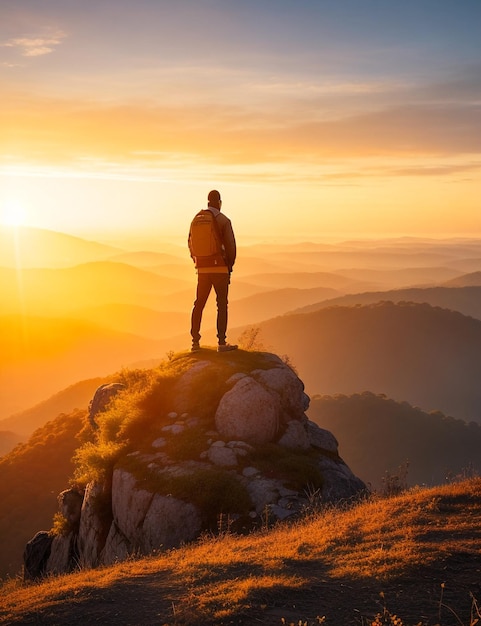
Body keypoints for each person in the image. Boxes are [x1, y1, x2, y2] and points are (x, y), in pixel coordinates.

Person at [188, 189, 237, 352]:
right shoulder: (223, 220)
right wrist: (229, 266)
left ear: (208, 202)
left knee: (199, 303)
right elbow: (231, 247)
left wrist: (197, 261)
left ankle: (195, 342)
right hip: (220, 268)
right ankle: (221, 343)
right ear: (219, 202)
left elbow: (190, 243)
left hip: (202, 269)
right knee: (221, 304)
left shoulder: (196, 219)